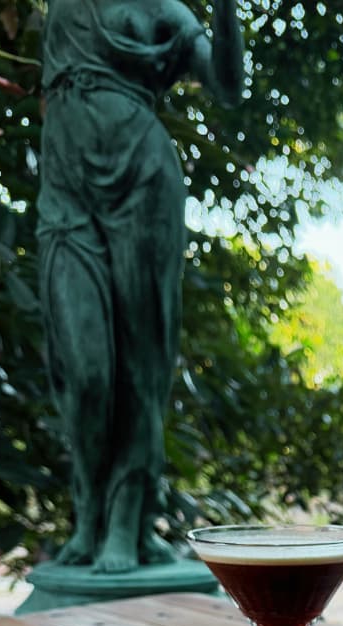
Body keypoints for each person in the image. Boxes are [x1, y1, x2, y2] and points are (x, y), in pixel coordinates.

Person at [38, 0, 243, 572]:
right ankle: (89, 513)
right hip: (65, 189)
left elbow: (226, 84)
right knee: (85, 370)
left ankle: (125, 521)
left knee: (141, 365)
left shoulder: (166, 11)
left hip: (143, 184)